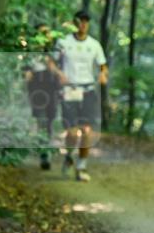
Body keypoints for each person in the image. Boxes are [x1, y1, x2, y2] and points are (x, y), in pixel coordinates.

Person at [53, 11, 107, 182]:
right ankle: (69, 155)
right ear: (75, 23)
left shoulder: (94, 45)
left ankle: (81, 166)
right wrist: (59, 73)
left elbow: (103, 66)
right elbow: (51, 62)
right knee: (72, 132)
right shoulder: (63, 42)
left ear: (88, 24)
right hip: (70, 89)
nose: (83, 24)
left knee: (87, 130)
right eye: (80, 21)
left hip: (88, 90)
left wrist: (103, 74)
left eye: (86, 22)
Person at [23, 24, 60, 169]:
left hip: (51, 88)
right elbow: (25, 71)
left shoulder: (55, 51)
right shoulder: (31, 52)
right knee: (41, 119)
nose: (45, 35)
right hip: (37, 87)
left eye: (47, 32)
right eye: (42, 32)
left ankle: (45, 147)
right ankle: (44, 154)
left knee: (49, 120)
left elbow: (60, 69)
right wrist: (27, 72)